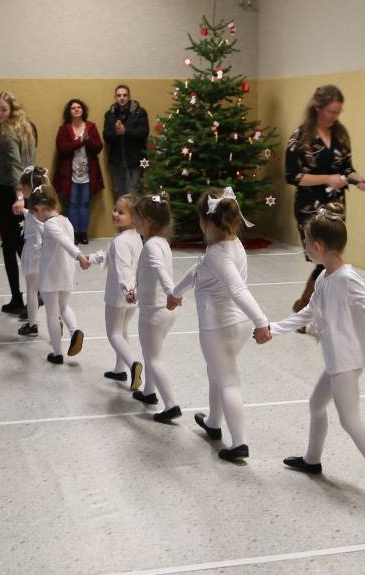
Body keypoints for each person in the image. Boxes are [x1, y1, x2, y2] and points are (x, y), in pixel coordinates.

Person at [267, 203, 365, 504]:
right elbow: (308, 313)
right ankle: (312, 459)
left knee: (349, 419)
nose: (304, 247)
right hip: (336, 357)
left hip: (346, 359)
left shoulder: (347, 278)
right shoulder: (325, 278)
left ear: (317, 246)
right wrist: (273, 329)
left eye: (305, 242)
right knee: (316, 404)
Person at [167, 187, 271, 463]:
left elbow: (238, 290)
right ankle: (213, 422)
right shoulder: (233, 245)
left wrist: (262, 321)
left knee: (227, 381)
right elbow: (196, 271)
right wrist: (176, 293)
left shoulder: (217, 255)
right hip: (238, 327)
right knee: (218, 372)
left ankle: (239, 443)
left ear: (207, 222)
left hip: (218, 327)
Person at [284, 84, 365, 314]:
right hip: (309, 206)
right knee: (324, 257)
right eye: (331, 112)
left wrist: (359, 180)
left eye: (338, 112)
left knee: (331, 256)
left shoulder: (341, 135)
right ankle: (306, 305)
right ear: (317, 107)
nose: (335, 117)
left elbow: (346, 167)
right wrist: (328, 178)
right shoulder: (300, 137)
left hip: (335, 205)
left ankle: (309, 306)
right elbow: (292, 176)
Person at [0, 91, 37, 315]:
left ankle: (29, 296)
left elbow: (16, 167)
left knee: (15, 248)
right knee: (20, 247)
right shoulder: (23, 130)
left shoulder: (8, 135)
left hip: (13, 194)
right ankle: (25, 296)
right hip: (27, 191)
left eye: (3, 109)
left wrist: (18, 197)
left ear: (12, 111)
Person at [130, 193, 181, 421]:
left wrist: (172, 292)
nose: (134, 221)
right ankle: (150, 391)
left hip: (154, 311)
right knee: (152, 352)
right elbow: (152, 275)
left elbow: (160, 272)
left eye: (137, 217)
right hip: (165, 312)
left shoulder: (150, 246)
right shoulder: (162, 243)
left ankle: (171, 404)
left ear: (147, 221)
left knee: (153, 358)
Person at [31, 183, 92, 364]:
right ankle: (74, 330)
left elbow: (63, 240)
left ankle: (57, 353)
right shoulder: (66, 221)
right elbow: (62, 238)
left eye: (35, 212)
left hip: (51, 275)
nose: (36, 216)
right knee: (64, 306)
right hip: (66, 273)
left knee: (52, 312)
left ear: (40, 207)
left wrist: (79, 255)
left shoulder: (50, 225)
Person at [100, 195, 143, 388]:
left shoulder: (121, 242)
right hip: (133, 295)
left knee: (114, 333)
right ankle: (120, 369)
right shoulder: (136, 237)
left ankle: (132, 364)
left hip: (120, 294)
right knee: (123, 329)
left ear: (134, 218)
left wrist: (127, 290)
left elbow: (124, 268)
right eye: (115, 209)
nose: (115, 214)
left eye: (121, 212)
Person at [53, 98, 104, 246]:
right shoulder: (64, 128)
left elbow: (98, 148)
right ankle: (73, 233)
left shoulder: (91, 127)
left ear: (83, 110)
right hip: (70, 175)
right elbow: (62, 148)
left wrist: (88, 140)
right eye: (73, 108)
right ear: (69, 112)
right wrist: (80, 142)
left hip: (88, 174)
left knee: (85, 204)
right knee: (73, 204)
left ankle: (83, 232)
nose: (76, 109)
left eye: (79, 107)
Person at [16, 166, 48, 336]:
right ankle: (53, 319)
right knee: (43, 290)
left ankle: (33, 324)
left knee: (32, 290)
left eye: (23, 187)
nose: (21, 190)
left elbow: (42, 226)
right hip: (39, 250)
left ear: (29, 187)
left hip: (34, 251)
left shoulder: (36, 208)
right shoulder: (39, 204)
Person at [103, 84, 149, 198]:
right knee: (119, 192)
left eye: (124, 95)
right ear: (115, 97)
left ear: (129, 97)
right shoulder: (110, 114)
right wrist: (117, 132)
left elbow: (143, 132)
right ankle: (122, 216)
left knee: (133, 194)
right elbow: (106, 135)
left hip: (135, 160)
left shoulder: (139, 112)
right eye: (119, 95)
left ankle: (133, 216)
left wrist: (126, 131)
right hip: (116, 161)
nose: (122, 98)